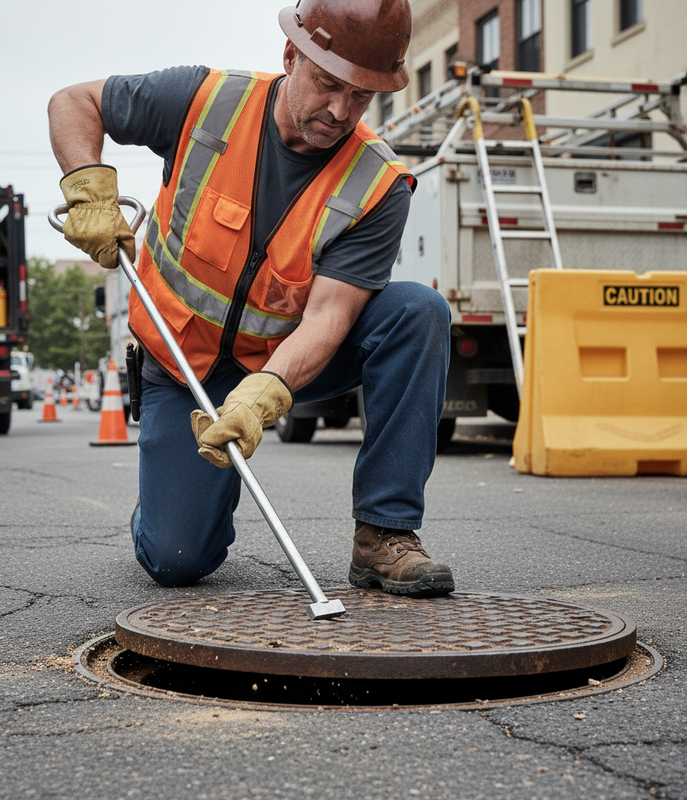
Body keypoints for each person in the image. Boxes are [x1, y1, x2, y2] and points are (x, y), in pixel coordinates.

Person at [48, 0, 454, 598]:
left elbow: (328, 317)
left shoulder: (378, 185)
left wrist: (265, 395)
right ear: (290, 54)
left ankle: (384, 536)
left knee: (419, 311)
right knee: (177, 559)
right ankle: (168, 499)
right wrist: (87, 187)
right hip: (185, 365)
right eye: (327, 84)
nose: (341, 111)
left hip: (283, 360)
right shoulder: (203, 102)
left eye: (362, 96)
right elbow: (72, 102)